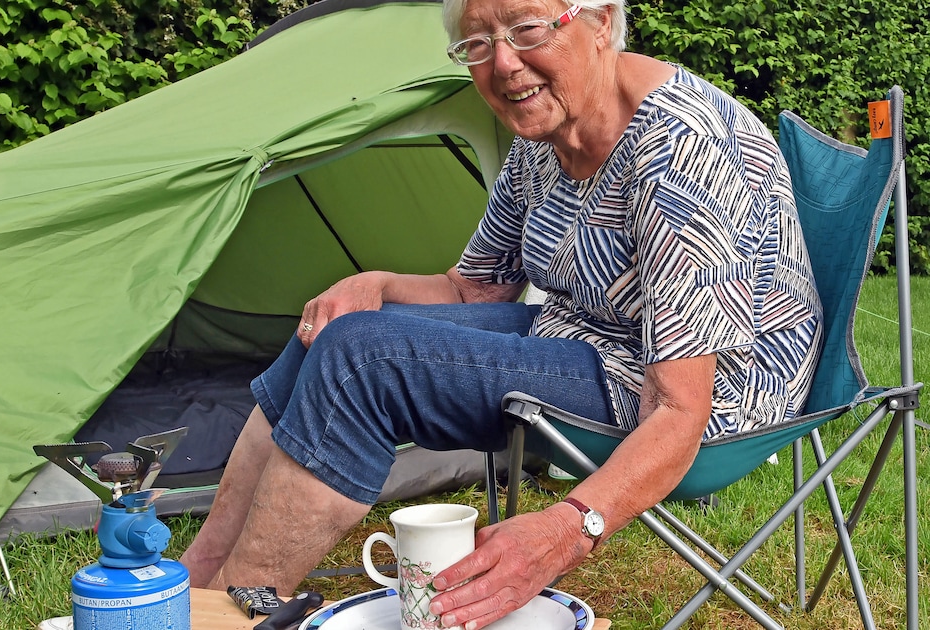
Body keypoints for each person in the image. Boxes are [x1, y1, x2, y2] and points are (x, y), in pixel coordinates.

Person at [180, 0, 823, 626]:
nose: (504, 64)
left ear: (601, 22)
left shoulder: (682, 149)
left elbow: (681, 409)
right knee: (332, 328)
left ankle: (231, 616)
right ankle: (193, 580)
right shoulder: (545, 128)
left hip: (710, 401)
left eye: (527, 30)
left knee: (363, 362)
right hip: (586, 341)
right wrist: (373, 284)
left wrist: (567, 530)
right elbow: (475, 290)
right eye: (478, 43)